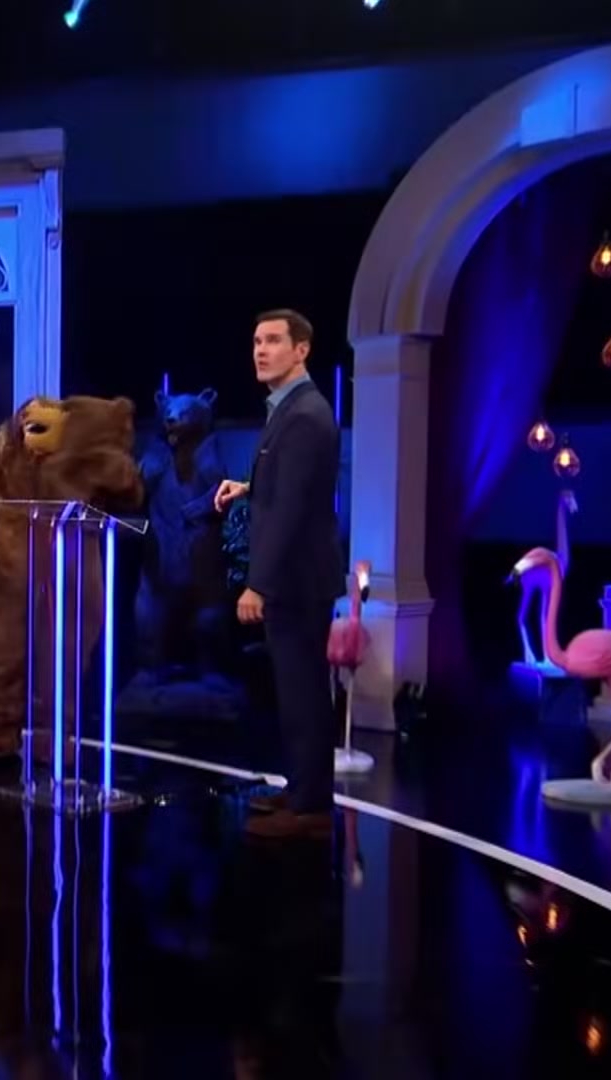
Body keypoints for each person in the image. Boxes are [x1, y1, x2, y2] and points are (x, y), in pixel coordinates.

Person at [213, 310, 342, 840]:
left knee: (304, 694)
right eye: (256, 341)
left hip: (296, 580)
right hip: (296, 577)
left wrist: (258, 584)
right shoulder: (290, 409)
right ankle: (302, 788)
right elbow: (287, 484)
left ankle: (310, 807)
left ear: (301, 349)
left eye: (272, 341)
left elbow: (291, 507)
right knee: (295, 693)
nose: (260, 351)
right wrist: (248, 488)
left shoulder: (305, 415)